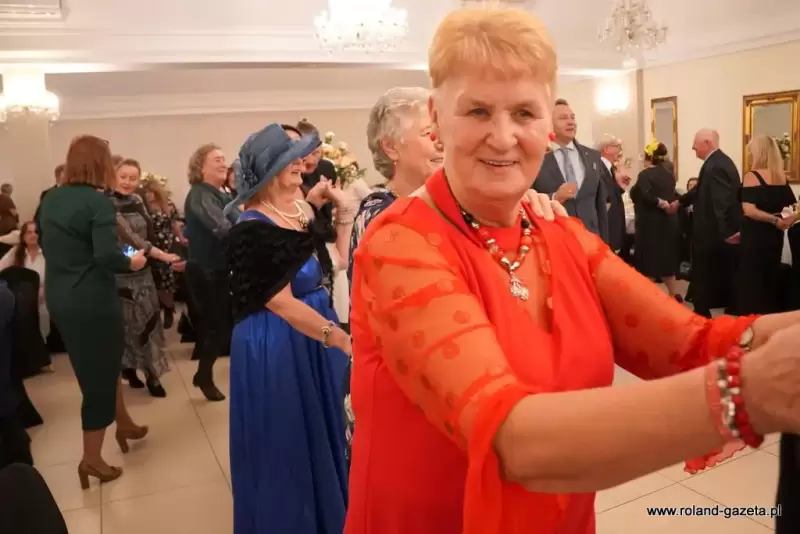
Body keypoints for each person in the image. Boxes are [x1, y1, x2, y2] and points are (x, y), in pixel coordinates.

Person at [346, 7, 800, 534]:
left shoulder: (556, 233)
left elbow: (690, 342)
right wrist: (746, 395)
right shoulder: (400, 244)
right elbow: (512, 439)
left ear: (547, 126)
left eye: (523, 113)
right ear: (436, 117)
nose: (502, 137)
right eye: (477, 111)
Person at [226, 124, 351, 534]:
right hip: (276, 339)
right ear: (268, 169)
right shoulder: (252, 226)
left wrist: (344, 213)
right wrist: (340, 337)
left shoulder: (300, 209)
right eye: (291, 158)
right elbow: (279, 302)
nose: (301, 163)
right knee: (289, 442)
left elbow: (336, 263)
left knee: (323, 430)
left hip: (312, 327)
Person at [38, 135, 149, 488]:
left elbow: (49, 244)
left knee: (102, 364)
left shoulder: (51, 198)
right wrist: (133, 262)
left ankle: (124, 424)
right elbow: (106, 255)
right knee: (98, 379)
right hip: (91, 300)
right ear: (101, 164)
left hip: (60, 294)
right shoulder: (97, 202)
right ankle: (92, 459)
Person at [111, 159, 180, 398]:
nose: (128, 182)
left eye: (133, 178)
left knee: (150, 322)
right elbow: (126, 238)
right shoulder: (106, 203)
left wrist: (155, 256)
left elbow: (148, 232)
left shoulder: (138, 200)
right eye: (123, 177)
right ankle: (128, 369)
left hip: (144, 271)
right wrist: (155, 254)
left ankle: (152, 374)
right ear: (113, 176)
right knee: (126, 326)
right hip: (120, 272)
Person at [184, 143, 239, 402]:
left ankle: (203, 375)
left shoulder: (221, 194)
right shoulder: (200, 194)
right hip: (206, 272)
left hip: (220, 270)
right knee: (217, 328)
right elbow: (223, 228)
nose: (223, 163)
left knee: (221, 327)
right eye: (216, 159)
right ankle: (203, 376)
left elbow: (241, 218)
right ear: (200, 167)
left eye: (223, 158)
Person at [533, 99, 609, 241]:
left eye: (572, 118)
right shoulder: (536, 157)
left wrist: (605, 243)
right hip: (553, 238)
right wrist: (554, 197)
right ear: (548, 124)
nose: (570, 122)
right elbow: (525, 200)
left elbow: (600, 205)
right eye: (563, 118)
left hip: (591, 238)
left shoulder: (592, 157)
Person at [737, 135, 796, 315]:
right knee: (769, 275)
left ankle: (752, 317)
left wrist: (774, 220)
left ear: (758, 152)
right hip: (774, 235)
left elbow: (750, 210)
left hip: (755, 233)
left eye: (751, 150)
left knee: (752, 277)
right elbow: (790, 206)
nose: (749, 154)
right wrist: (784, 219)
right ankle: (768, 316)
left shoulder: (751, 176)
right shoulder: (780, 176)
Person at [690, 129, 742, 317]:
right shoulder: (717, 162)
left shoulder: (717, 165)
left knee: (706, 272)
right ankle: (704, 308)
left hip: (711, 231)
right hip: (712, 230)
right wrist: (680, 202)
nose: (693, 148)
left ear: (707, 143)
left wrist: (727, 232)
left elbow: (723, 201)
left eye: (695, 143)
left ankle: (702, 312)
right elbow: (699, 191)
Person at [630, 141, 683, 300]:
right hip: (667, 222)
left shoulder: (645, 175)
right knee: (666, 260)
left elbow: (645, 195)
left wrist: (659, 202)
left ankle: (647, 298)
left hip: (649, 224)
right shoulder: (669, 174)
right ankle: (674, 293)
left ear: (648, 158)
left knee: (647, 261)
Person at [595, 134, 627, 254]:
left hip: (613, 224)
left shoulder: (609, 167)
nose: (620, 151)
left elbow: (611, 191)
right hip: (607, 224)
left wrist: (620, 187)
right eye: (617, 146)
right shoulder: (598, 167)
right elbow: (603, 195)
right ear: (606, 149)